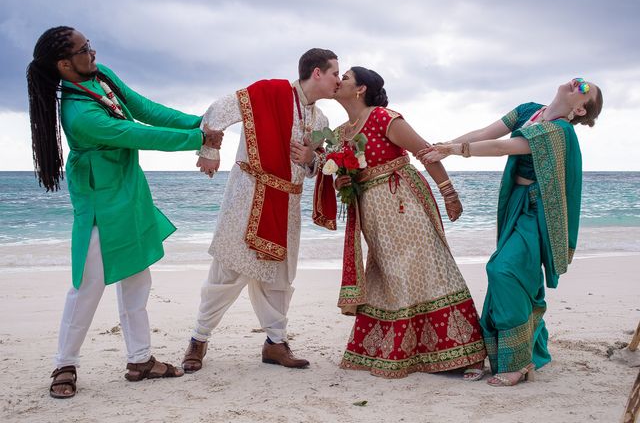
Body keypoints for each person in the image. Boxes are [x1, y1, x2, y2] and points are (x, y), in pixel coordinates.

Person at [27, 26, 223, 398]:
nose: (93, 53)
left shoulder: (101, 76)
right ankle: (64, 365)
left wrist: (197, 122)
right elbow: (136, 134)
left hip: (128, 190)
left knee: (137, 279)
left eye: (90, 45)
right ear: (64, 65)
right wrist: (198, 139)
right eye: (84, 50)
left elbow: (144, 108)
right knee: (87, 286)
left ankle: (140, 360)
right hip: (99, 199)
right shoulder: (78, 113)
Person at [421, 78, 603, 386]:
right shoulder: (528, 111)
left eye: (584, 88)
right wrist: (444, 147)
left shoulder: (559, 132)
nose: (578, 83)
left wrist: (453, 149)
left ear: (580, 108)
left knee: (503, 269)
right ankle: (508, 352)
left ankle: (519, 362)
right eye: (579, 80)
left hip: (538, 211)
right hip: (515, 205)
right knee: (516, 274)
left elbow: (501, 147)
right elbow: (486, 133)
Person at [182, 49, 340, 372]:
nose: (339, 80)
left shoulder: (321, 121)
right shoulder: (270, 92)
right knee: (227, 273)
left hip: (287, 207)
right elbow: (218, 109)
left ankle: (275, 344)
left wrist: (310, 159)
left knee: (280, 279)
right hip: (248, 196)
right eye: (336, 73)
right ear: (317, 73)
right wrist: (210, 150)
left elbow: (319, 168)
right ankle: (198, 339)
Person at [331, 66, 487, 379]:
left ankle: (465, 354)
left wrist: (449, 193)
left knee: (425, 268)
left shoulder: (385, 117)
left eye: (345, 77)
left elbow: (425, 152)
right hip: (372, 212)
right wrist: (338, 178)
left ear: (361, 89)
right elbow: (337, 174)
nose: (339, 81)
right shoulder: (339, 133)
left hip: (403, 201)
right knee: (388, 275)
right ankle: (405, 351)